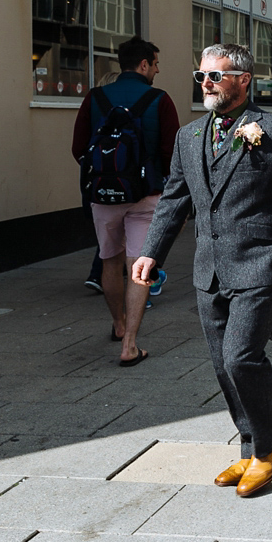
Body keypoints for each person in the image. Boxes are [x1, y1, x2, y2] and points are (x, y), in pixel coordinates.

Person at [132, 44, 272, 498]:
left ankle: (268, 446)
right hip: (209, 269)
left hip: (260, 261)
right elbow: (175, 200)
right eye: (201, 76)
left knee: (242, 356)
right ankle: (249, 445)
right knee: (223, 364)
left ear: (243, 79)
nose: (206, 84)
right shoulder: (188, 136)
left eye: (215, 77)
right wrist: (151, 252)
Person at [71, 35, 177, 366]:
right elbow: (171, 153)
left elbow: (78, 148)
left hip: (103, 196)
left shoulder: (95, 97)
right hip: (146, 196)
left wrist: (106, 174)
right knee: (139, 267)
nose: (157, 70)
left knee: (110, 261)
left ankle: (118, 325)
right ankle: (130, 344)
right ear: (143, 64)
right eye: (156, 64)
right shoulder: (160, 100)